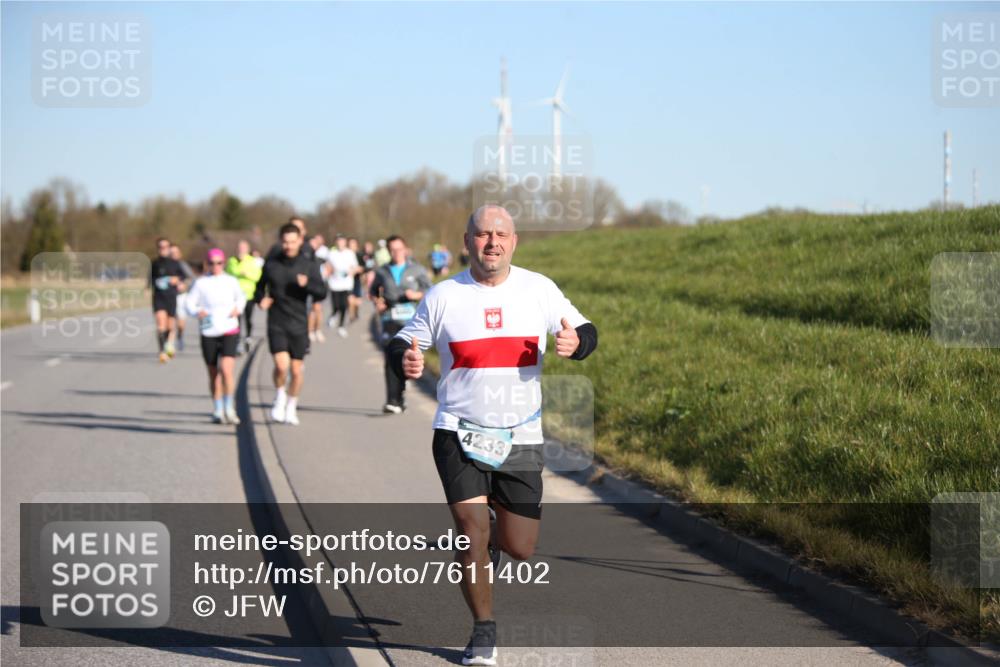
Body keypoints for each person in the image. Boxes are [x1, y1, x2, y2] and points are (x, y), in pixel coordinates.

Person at [388, 205, 598, 666]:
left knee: (521, 547)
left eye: (501, 234)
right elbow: (404, 340)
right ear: (467, 242)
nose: (492, 243)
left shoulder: (539, 289)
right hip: (457, 432)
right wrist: (405, 357)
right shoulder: (444, 296)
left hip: (520, 435)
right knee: (470, 532)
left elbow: (584, 329)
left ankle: (493, 545)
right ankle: (483, 631)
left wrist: (577, 344)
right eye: (482, 235)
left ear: (514, 241)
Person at [254, 222, 327, 426]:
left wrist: (308, 285)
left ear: (300, 241)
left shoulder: (308, 265)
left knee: (296, 371)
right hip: (277, 321)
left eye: (293, 242)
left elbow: (322, 292)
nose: (289, 246)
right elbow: (259, 288)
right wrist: (261, 300)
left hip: (299, 323)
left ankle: (292, 406)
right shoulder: (272, 264)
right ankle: (279, 395)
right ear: (281, 242)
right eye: (285, 242)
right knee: (281, 365)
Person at [370, 235, 433, 414]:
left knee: (407, 358)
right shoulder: (382, 271)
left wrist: (417, 295)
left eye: (399, 249)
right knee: (391, 355)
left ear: (405, 249)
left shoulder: (417, 269)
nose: (396, 252)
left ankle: (400, 392)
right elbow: (373, 291)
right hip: (390, 317)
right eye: (392, 250)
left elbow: (431, 290)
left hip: (412, 320)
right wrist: (378, 301)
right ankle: (392, 400)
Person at [185, 249, 245, 424]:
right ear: (207, 264)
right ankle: (218, 409)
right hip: (209, 331)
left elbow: (241, 297)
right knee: (213, 373)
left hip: (229, 328)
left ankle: (229, 407)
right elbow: (190, 303)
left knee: (226, 370)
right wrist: (197, 311)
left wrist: (238, 308)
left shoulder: (231, 281)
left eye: (219, 263)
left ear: (224, 263)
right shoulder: (201, 283)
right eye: (212, 263)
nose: (216, 266)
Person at [149, 237, 184, 363]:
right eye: (160, 247)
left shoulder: (175, 263)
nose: (163, 249)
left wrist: (178, 281)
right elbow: (150, 280)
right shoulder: (154, 263)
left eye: (165, 247)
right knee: (160, 324)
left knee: (170, 326)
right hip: (159, 298)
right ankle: (162, 351)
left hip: (171, 297)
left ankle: (169, 344)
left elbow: (182, 277)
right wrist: (156, 282)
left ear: (169, 248)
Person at [226, 240, 263, 353]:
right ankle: (236, 342)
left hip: (248, 295)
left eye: (243, 248)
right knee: (236, 320)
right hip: (234, 296)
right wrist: (239, 272)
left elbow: (257, 276)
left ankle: (248, 337)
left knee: (248, 319)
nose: (241, 250)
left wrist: (246, 274)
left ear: (247, 249)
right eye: (239, 247)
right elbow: (229, 273)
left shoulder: (252, 261)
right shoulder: (231, 260)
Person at [325, 234, 359, 338]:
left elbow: (355, 267)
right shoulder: (331, 253)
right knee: (336, 306)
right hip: (334, 283)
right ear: (336, 242)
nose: (340, 243)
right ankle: (333, 316)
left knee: (344, 305)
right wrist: (329, 273)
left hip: (346, 284)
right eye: (338, 241)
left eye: (342, 241)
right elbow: (327, 267)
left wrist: (350, 272)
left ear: (345, 242)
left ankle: (341, 326)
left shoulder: (350, 253)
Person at [170, 244, 196, 352]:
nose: (173, 255)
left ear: (179, 254)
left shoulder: (182, 265)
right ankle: (170, 345)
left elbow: (192, 278)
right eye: (171, 253)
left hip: (181, 296)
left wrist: (184, 284)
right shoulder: (166, 265)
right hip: (169, 296)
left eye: (176, 252)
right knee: (170, 321)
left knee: (180, 322)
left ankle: (180, 336)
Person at [309, 234, 329, 343]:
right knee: (310, 310)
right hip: (308, 285)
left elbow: (329, 267)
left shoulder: (324, 253)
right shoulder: (306, 254)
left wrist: (327, 272)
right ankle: (310, 331)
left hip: (319, 285)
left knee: (317, 308)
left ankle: (317, 330)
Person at [347, 237, 365, 322]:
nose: (351, 246)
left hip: (357, 280)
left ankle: (356, 312)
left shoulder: (359, 255)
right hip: (347, 281)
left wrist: (358, 269)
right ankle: (351, 316)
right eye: (350, 245)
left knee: (357, 301)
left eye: (353, 245)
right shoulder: (344, 255)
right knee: (350, 300)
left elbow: (364, 268)